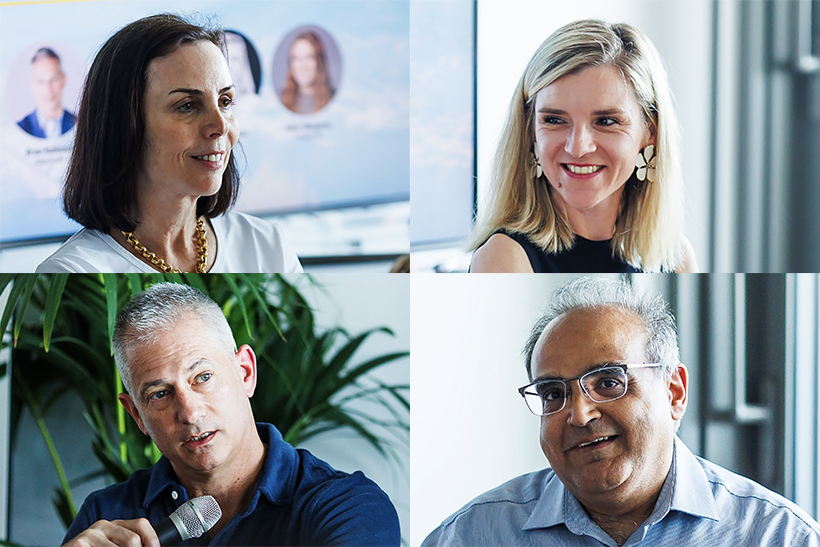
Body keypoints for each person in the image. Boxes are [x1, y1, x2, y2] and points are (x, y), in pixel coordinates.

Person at [423, 277, 820, 546]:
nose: (579, 415)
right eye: (552, 393)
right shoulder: (472, 534)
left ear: (674, 392)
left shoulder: (778, 536)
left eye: (609, 382)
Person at [62, 282, 400, 547]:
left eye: (203, 377)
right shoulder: (105, 518)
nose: (190, 412)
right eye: (161, 394)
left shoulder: (347, 507)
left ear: (246, 372)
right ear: (137, 415)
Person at [36, 14, 301, 273]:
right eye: (187, 106)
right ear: (124, 125)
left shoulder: (266, 246)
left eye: (225, 102)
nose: (220, 127)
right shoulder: (70, 271)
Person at [468, 20, 698, 273]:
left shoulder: (676, 258)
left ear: (650, 132)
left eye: (606, 121)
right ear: (530, 130)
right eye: (554, 120)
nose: (578, 148)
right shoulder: (504, 257)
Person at [17, 47, 77, 139]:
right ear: (32, 84)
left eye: (54, 79)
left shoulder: (78, 123)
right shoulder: (21, 127)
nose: (48, 88)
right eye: (41, 81)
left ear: (64, 80)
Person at [278, 30, 335, 114]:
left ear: (319, 61)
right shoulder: (281, 100)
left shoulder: (334, 99)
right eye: (297, 58)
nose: (302, 66)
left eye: (309, 57)